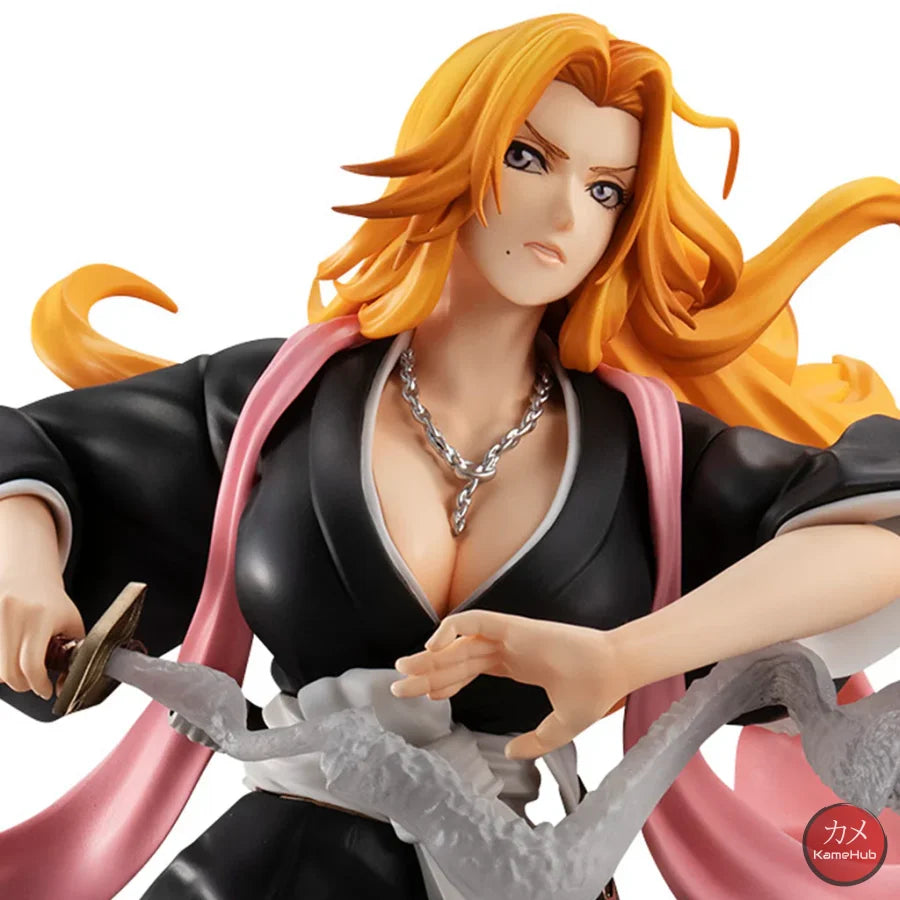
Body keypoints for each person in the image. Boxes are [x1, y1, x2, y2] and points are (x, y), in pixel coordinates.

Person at [2, 12, 900, 899]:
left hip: (507, 870)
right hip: (275, 869)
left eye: (605, 190)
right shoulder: (284, 398)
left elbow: (878, 535)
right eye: (529, 157)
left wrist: (627, 657)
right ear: (457, 152)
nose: (565, 212)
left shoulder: (646, 452)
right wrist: (24, 573)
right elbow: (32, 453)